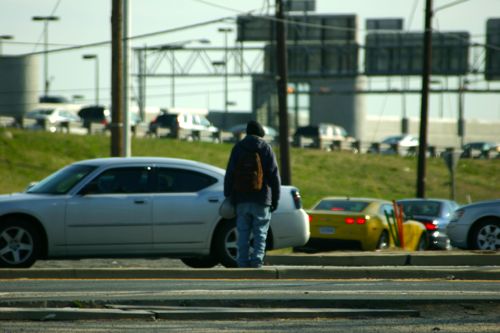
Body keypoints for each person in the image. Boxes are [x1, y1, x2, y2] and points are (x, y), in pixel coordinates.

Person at [224, 120, 281, 268]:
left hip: (241, 198)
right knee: (260, 233)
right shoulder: (266, 148)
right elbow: (274, 176)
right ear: (261, 133)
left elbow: (230, 173)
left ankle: (242, 261)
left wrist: (228, 194)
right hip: (262, 198)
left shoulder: (238, 148)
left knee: (242, 233)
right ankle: (256, 261)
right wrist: (275, 199)